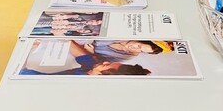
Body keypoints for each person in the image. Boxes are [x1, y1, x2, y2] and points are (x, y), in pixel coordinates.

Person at [19, 40, 151, 76]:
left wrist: (25, 51)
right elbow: (70, 44)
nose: (105, 61)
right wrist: (45, 42)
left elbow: (23, 74)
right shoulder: (93, 68)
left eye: (106, 65)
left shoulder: (75, 81)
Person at [87, 40, 173, 62]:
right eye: (139, 46)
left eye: (141, 51)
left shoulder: (127, 56)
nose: (135, 49)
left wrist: (91, 53)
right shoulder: (122, 34)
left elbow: (101, 63)